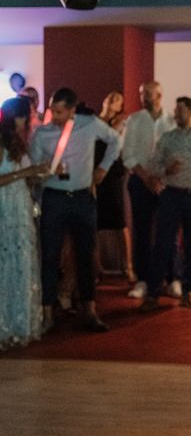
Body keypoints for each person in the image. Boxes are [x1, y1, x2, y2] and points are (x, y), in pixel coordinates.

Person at [30, 87, 121, 333]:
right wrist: (46, 167)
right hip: (54, 198)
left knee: (86, 254)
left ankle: (90, 309)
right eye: (52, 110)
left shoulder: (89, 124)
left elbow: (115, 140)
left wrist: (103, 168)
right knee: (49, 256)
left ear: (72, 110)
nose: (54, 116)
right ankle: (47, 312)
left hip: (82, 197)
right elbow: (34, 169)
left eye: (59, 111)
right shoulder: (42, 133)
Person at [140, 97, 191, 311]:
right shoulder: (166, 138)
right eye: (175, 109)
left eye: (180, 109)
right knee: (162, 245)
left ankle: (188, 291)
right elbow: (152, 166)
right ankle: (153, 292)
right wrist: (166, 170)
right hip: (170, 195)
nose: (175, 113)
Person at [0, 97, 48, 349]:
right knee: (5, 263)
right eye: (26, 116)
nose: (29, 121)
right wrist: (26, 173)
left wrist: (39, 174)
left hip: (20, 205)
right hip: (5, 207)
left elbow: (26, 177)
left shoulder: (22, 143)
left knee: (20, 263)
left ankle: (19, 322)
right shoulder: (2, 141)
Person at [122, 81, 176, 299]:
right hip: (140, 182)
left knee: (168, 232)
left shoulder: (171, 121)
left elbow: (175, 153)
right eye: (142, 93)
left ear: (160, 95)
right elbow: (128, 154)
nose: (144, 97)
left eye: (149, 94)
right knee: (142, 232)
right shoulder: (134, 120)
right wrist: (147, 178)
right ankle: (143, 279)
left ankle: (172, 279)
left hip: (166, 183)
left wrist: (160, 178)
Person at [94, 91, 134, 280]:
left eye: (118, 100)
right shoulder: (93, 122)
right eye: (111, 97)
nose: (113, 101)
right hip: (94, 173)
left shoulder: (121, 124)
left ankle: (128, 266)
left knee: (119, 222)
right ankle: (97, 266)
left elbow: (121, 145)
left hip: (113, 174)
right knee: (95, 222)